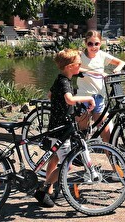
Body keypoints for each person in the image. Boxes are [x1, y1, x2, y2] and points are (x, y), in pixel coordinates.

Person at [33, 49, 96, 208]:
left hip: (58, 125)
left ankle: (49, 189)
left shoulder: (61, 78)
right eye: (78, 64)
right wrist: (88, 98)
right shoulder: (64, 82)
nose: (80, 66)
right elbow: (69, 99)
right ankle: (43, 189)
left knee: (55, 158)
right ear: (69, 67)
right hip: (61, 128)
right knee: (67, 164)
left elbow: (50, 95)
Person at [76, 30, 125, 142]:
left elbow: (121, 62)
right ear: (85, 43)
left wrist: (116, 70)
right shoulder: (80, 55)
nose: (94, 47)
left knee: (107, 135)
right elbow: (74, 68)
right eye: (90, 44)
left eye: (97, 44)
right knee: (82, 134)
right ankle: (80, 158)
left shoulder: (102, 55)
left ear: (100, 43)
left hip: (99, 98)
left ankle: (112, 159)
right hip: (84, 98)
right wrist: (96, 73)